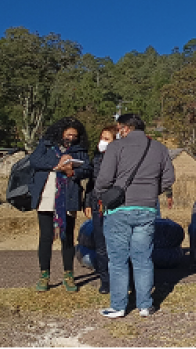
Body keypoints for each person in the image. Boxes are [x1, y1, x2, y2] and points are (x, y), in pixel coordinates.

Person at [94, 114, 175, 318]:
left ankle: (119, 306)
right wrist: (151, 192)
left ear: (124, 128)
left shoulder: (116, 147)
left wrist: (102, 192)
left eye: (119, 128)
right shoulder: (159, 148)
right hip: (147, 208)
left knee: (118, 259)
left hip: (119, 208)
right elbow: (169, 178)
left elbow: (104, 178)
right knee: (143, 258)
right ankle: (145, 305)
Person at [28, 117, 92, 292]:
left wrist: (72, 170)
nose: (71, 137)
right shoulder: (46, 144)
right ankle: (44, 275)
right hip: (47, 194)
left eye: (74, 135)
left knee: (67, 237)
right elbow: (34, 161)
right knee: (46, 236)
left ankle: (69, 275)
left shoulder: (79, 150)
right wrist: (58, 165)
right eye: (68, 134)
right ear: (61, 132)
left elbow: (87, 168)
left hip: (69, 196)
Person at [83, 125, 118, 294]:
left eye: (107, 139)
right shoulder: (96, 159)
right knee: (101, 245)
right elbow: (91, 183)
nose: (102, 142)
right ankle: (106, 281)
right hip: (98, 206)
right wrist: (88, 202)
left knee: (118, 245)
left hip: (116, 206)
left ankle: (123, 279)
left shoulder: (120, 159)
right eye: (101, 138)